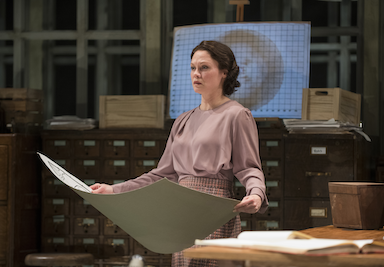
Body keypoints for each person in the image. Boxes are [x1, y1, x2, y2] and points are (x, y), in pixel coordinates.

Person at [90, 40, 269, 267]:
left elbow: (249, 167)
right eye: (193, 68)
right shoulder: (183, 120)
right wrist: (114, 189)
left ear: (224, 72)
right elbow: (161, 175)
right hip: (182, 215)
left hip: (212, 209)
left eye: (204, 67)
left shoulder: (237, 115)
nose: (196, 74)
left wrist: (256, 193)